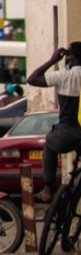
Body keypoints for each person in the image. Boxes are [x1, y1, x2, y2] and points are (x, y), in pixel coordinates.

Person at [28, 43, 81, 203]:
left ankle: (48, 189)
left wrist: (52, 61)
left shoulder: (65, 76)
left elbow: (32, 79)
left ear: (70, 59)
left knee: (50, 144)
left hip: (68, 131)